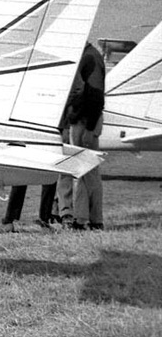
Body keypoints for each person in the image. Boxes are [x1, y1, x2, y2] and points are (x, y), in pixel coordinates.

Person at [57, 42, 106, 230]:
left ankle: (95, 219)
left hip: (85, 121)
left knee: (89, 170)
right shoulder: (91, 56)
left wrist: (89, 127)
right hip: (85, 120)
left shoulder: (89, 58)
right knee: (85, 170)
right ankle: (83, 218)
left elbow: (95, 97)